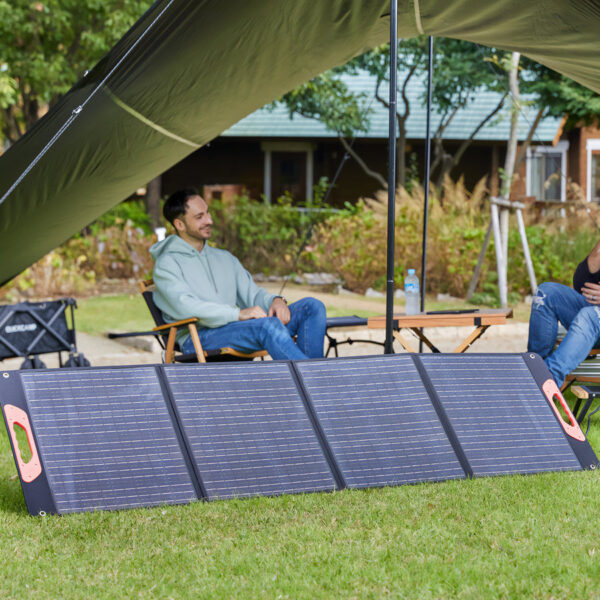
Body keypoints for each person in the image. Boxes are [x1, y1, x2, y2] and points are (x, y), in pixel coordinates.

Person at [150, 187, 326, 360]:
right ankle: (314, 382)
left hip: (236, 330)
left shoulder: (225, 258)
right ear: (179, 224)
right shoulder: (167, 264)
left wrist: (275, 301)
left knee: (311, 307)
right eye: (199, 217)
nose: (209, 220)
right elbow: (186, 307)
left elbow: (252, 294)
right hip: (198, 337)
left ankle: (311, 380)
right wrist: (237, 315)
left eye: (208, 213)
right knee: (266, 326)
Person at [528, 239, 600, 387]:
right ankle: (534, 367)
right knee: (546, 293)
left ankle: (545, 382)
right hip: (593, 311)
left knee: (589, 315)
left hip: (593, 316)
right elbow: (580, 283)